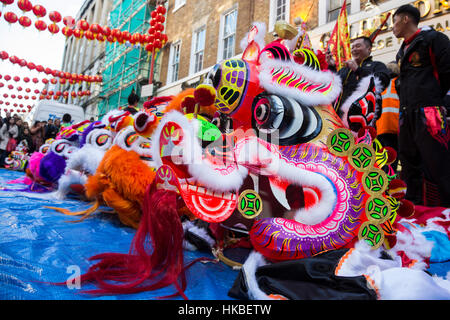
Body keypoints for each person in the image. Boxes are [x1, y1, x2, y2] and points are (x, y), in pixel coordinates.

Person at [393, 4, 450, 207]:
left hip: (430, 112)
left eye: (395, 21)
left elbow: (447, 73)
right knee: (409, 164)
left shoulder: (434, 39)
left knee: (437, 164)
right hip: (406, 114)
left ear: (406, 18)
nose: (393, 27)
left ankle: (444, 211)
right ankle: (414, 209)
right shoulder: (402, 51)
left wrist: (439, 103)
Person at [327, 36, 391, 126]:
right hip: (339, 119)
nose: (354, 49)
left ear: (369, 49)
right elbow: (332, 85)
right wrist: (332, 67)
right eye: (352, 47)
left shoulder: (377, 65)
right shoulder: (345, 69)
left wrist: (358, 70)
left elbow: (382, 81)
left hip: (363, 120)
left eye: (358, 46)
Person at [375, 61, 400, 173]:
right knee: (393, 157)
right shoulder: (399, 82)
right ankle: (390, 183)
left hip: (380, 127)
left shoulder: (381, 84)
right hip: (395, 126)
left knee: (382, 158)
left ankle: (381, 181)